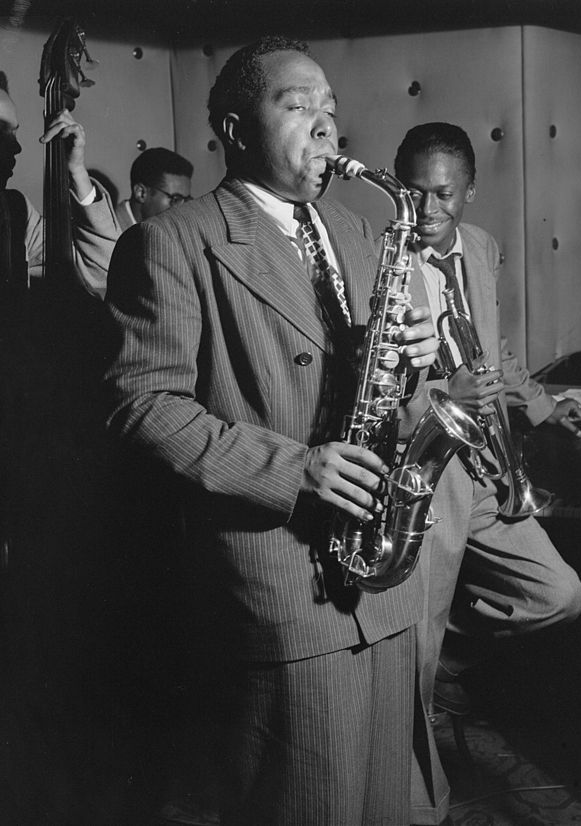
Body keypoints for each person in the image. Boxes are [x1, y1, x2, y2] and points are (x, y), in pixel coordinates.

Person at [104, 36, 441, 826]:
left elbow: (383, 389)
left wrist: (416, 360)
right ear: (233, 128)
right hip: (283, 584)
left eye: (330, 110)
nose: (326, 128)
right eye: (297, 107)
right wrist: (296, 470)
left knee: (389, 808)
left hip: (385, 581)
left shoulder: (363, 236)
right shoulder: (171, 240)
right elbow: (142, 406)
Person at [393, 122, 581, 822]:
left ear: (469, 191)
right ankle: (425, 805)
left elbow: (491, 351)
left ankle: (447, 666)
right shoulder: (378, 258)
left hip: (485, 467)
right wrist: (443, 399)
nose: (427, 208)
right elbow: (366, 382)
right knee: (408, 653)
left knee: (558, 593)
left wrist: (538, 406)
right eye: (413, 191)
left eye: (443, 193)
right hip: (428, 472)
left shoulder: (481, 247)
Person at [0, 72, 120, 300]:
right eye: (0, 132)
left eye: (14, 132)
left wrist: (75, 170)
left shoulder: (15, 211)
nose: (17, 147)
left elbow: (101, 270)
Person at [115, 146, 193, 231]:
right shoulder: (108, 236)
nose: (182, 211)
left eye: (186, 200)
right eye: (176, 199)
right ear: (141, 193)